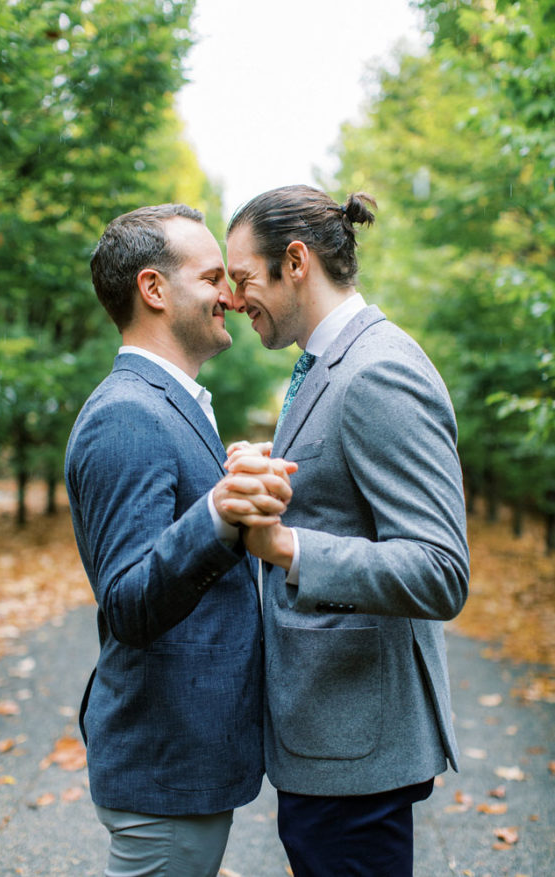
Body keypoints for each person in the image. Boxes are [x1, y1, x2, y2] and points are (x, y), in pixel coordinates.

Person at [224, 185, 470, 876]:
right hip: (329, 737)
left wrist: (288, 546)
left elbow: (439, 568)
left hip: (354, 750)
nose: (236, 299)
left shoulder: (377, 370)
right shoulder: (327, 364)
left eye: (244, 279)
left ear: (294, 261)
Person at [64, 203, 294, 877]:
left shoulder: (165, 403)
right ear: (154, 290)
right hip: (163, 762)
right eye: (213, 276)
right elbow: (128, 604)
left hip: (181, 757)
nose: (231, 294)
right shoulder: (127, 415)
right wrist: (218, 511)